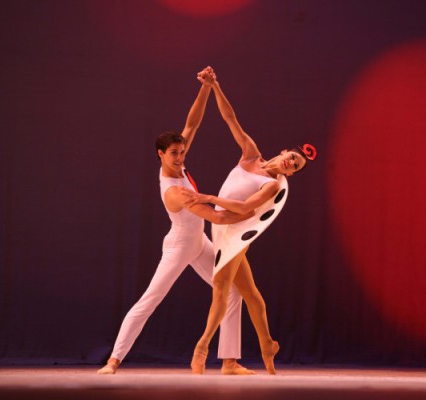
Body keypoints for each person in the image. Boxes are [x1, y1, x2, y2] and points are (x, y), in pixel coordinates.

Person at [97, 67, 255, 376]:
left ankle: (229, 362)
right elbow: (215, 215)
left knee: (232, 292)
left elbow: (192, 123)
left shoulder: (178, 165)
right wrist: (250, 213)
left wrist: (207, 87)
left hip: (200, 243)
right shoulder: (174, 191)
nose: (181, 157)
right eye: (174, 154)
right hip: (180, 245)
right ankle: (113, 360)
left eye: (182, 152)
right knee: (150, 299)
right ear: (161, 155)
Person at [186, 71, 317, 375]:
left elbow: (246, 208)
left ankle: (202, 347)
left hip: (234, 233)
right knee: (251, 294)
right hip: (222, 228)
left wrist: (210, 197)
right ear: (284, 151)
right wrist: (216, 85)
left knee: (221, 288)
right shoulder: (251, 154)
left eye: (296, 166)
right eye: (292, 157)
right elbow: (230, 118)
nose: (291, 163)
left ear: (293, 173)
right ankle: (267, 345)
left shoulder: (272, 184)